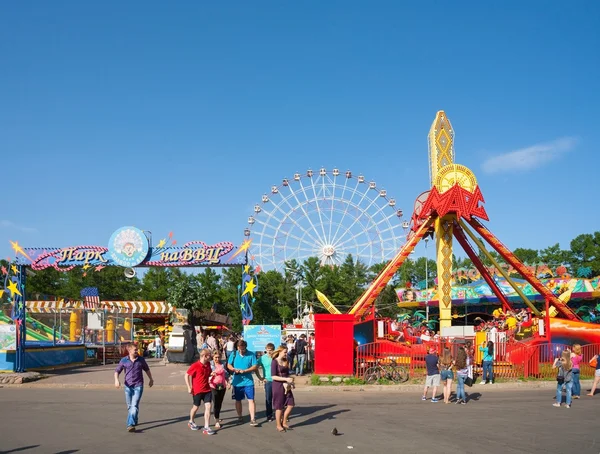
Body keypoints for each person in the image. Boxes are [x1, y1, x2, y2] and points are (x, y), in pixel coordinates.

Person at [114, 343, 154, 432]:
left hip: (138, 385)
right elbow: (117, 371)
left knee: (134, 404)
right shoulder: (124, 360)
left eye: (137, 349)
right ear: (129, 350)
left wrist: (151, 379)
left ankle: (130, 424)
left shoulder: (141, 360)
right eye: (135, 350)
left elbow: (147, 369)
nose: (137, 351)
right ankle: (134, 419)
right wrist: (116, 380)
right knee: (130, 406)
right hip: (128, 386)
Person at [227, 340, 259, 426]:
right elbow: (229, 365)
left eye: (243, 349)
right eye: (240, 349)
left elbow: (255, 366)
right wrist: (234, 369)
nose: (242, 351)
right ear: (237, 347)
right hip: (237, 382)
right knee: (238, 400)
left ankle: (253, 419)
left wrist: (245, 370)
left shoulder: (251, 354)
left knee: (251, 400)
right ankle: (240, 416)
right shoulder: (234, 354)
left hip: (248, 381)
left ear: (246, 347)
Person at [185, 349, 215, 434]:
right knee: (196, 407)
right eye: (209, 355)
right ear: (204, 356)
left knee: (208, 406)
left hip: (207, 389)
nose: (211, 357)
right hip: (197, 390)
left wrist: (211, 374)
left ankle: (206, 427)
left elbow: (207, 373)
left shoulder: (208, 364)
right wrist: (189, 387)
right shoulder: (195, 365)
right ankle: (191, 421)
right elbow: (186, 375)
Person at [271, 345, 295, 432]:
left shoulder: (286, 361)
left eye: (286, 352)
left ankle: (284, 421)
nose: (286, 354)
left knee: (291, 404)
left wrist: (291, 382)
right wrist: (285, 379)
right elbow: (273, 376)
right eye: (285, 352)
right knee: (279, 406)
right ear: (280, 352)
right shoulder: (274, 362)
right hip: (278, 386)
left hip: (286, 385)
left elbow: (287, 374)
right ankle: (278, 425)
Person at [209, 350, 229, 429]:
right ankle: (217, 421)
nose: (217, 359)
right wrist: (211, 374)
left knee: (220, 403)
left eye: (218, 357)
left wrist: (228, 382)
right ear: (212, 357)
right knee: (216, 403)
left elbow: (226, 374)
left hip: (222, 386)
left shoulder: (223, 364)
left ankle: (216, 415)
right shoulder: (210, 365)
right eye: (215, 357)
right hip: (213, 385)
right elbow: (206, 374)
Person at [256, 343, 275, 422]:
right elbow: (255, 367)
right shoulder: (262, 358)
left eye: (270, 350)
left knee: (278, 399)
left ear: (273, 350)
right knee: (268, 399)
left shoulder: (276, 357)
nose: (269, 352)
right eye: (267, 350)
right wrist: (260, 378)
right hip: (268, 381)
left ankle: (281, 414)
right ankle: (269, 415)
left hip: (277, 380)